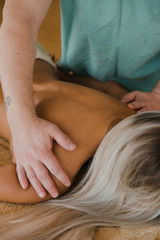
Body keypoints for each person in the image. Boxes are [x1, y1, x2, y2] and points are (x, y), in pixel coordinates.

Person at [1, 0, 160, 201]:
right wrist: (20, 123)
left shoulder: (125, 104)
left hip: (38, 62)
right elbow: (21, 13)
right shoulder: (60, 171)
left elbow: (103, 86)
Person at [0, 44, 159, 240]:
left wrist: (65, 78)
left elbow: (108, 86)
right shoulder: (56, 174)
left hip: (28, 55)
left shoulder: (127, 109)